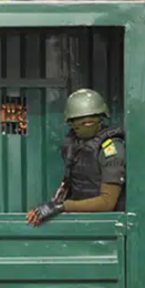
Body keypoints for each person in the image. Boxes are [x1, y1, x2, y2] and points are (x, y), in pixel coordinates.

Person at [27, 88, 125, 227]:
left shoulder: (111, 149)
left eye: (89, 121)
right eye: (77, 122)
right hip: (80, 221)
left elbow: (107, 202)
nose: (83, 125)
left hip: (108, 225)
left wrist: (61, 207)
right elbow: (70, 182)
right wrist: (51, 206)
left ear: (101, 118)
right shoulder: (73, 144)